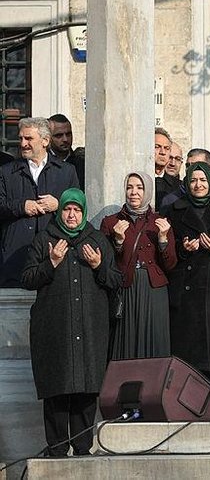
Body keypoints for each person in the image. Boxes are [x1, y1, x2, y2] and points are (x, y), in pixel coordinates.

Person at [22, 188, 122, 456]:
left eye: (77, 210)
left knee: (86, 387)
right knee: (58, 386)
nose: (71, 215)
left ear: (83, 212)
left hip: (90, 327)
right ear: (60, 211)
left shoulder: (98, 240)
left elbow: (115, 281)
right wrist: (51, 262)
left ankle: (82, 446)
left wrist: (99, 265)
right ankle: (56, 448)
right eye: (67, 209)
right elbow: (28, 278)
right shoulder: (45, 240)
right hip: (54, 328)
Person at [166, 162, 210, 386]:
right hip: (187, 288)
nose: (198, 185)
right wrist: (183, 248)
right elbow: (166, 250)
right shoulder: (174, 210)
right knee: (190, 354)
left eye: (203, 180)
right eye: (193, 180)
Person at [101, 171, 177, 359]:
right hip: (126, 288)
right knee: (124, 342)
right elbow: (105, 264)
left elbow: (170, 264)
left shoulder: (160, 222)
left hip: (154, 290)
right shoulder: (110, 222)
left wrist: (162, 240)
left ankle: (153, 387)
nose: (134, 192)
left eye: (140, 188)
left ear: (148, 191)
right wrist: (117, 242)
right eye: (129, 187)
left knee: (154, 342)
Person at [0, 117, 79, 287]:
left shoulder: (66, 171)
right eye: (21, 138)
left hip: (54, 253)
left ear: (45, 141)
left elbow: (79, 206)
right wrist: (22, 206)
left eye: (29, 138)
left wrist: (59, 205)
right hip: (15, 256)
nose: (23, 143)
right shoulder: (7, 172)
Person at [48, 114, 85, 189]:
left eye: (68, 134)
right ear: (48, 138)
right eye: (59, 135)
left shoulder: (82, 164)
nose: (65, 139)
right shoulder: (42, 163)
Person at [154, 127, 179, 210]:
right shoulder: (136, 181)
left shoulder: (179, 186)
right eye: (157, 147)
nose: (163, 152)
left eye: (166, 148)